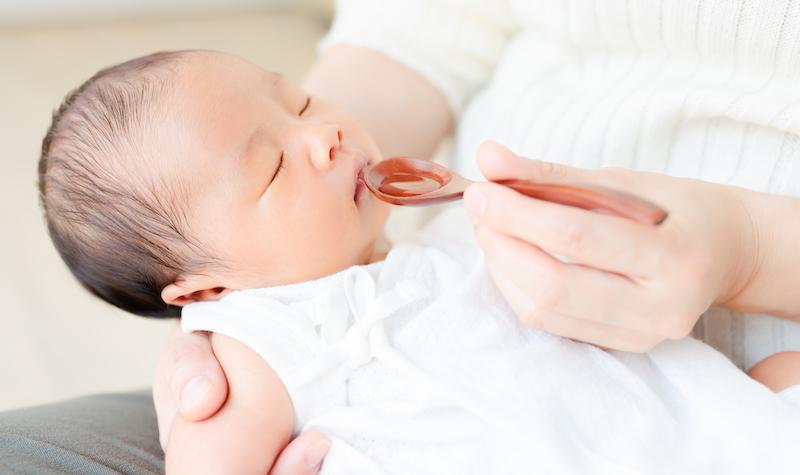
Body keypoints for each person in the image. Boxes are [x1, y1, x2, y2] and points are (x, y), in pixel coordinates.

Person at [33, 49, 800, 473]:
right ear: (205, 286)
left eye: (298, 101)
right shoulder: (261, 339)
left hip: (678, 424)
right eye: (270, 170)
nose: (325, 135)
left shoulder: (427, 243)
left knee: (781, 376)